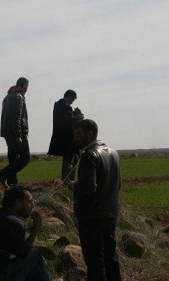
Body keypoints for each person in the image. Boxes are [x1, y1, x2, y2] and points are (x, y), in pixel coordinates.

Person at [72, 119, 121, 281]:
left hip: (91, 216)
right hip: (110, 213)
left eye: (79, 134)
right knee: (110, 257)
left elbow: (88, 188)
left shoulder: (89, 155)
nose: (75, 138)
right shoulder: (114, 153)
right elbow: (118, 184)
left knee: (94, 262)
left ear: (91, 133)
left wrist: (72, 185)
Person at [0, 186, 50, 281]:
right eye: (29, 201)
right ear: (17, 203)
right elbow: (24, 253)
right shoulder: (14, 222)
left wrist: (38, 247)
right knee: (35, 255)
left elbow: (14, 248)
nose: (32, 205)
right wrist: (35, 229)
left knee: (35, 270)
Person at [0, 77, 30, 189]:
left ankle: (12, 184)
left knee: (13, 157)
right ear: (24, 86)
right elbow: (17, 117)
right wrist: (18, 135)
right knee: (25, 158)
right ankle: (2, 175)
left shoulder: (7, 97)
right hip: (16, 133)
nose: (26, 90)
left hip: (7, 132)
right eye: (26, 87)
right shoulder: (18, 97)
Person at [48, 89, 83, 181]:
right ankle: (68, 180)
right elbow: (68, 122)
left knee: (70, 158)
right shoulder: (65, 107)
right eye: (72, 99)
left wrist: (74, 114)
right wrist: (78, 117)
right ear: (69, 96)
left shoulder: (59, 105)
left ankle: (68, 179)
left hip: (62, 136)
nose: (72, 102)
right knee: (70, 158)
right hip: (67, 137)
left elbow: (66, 118)